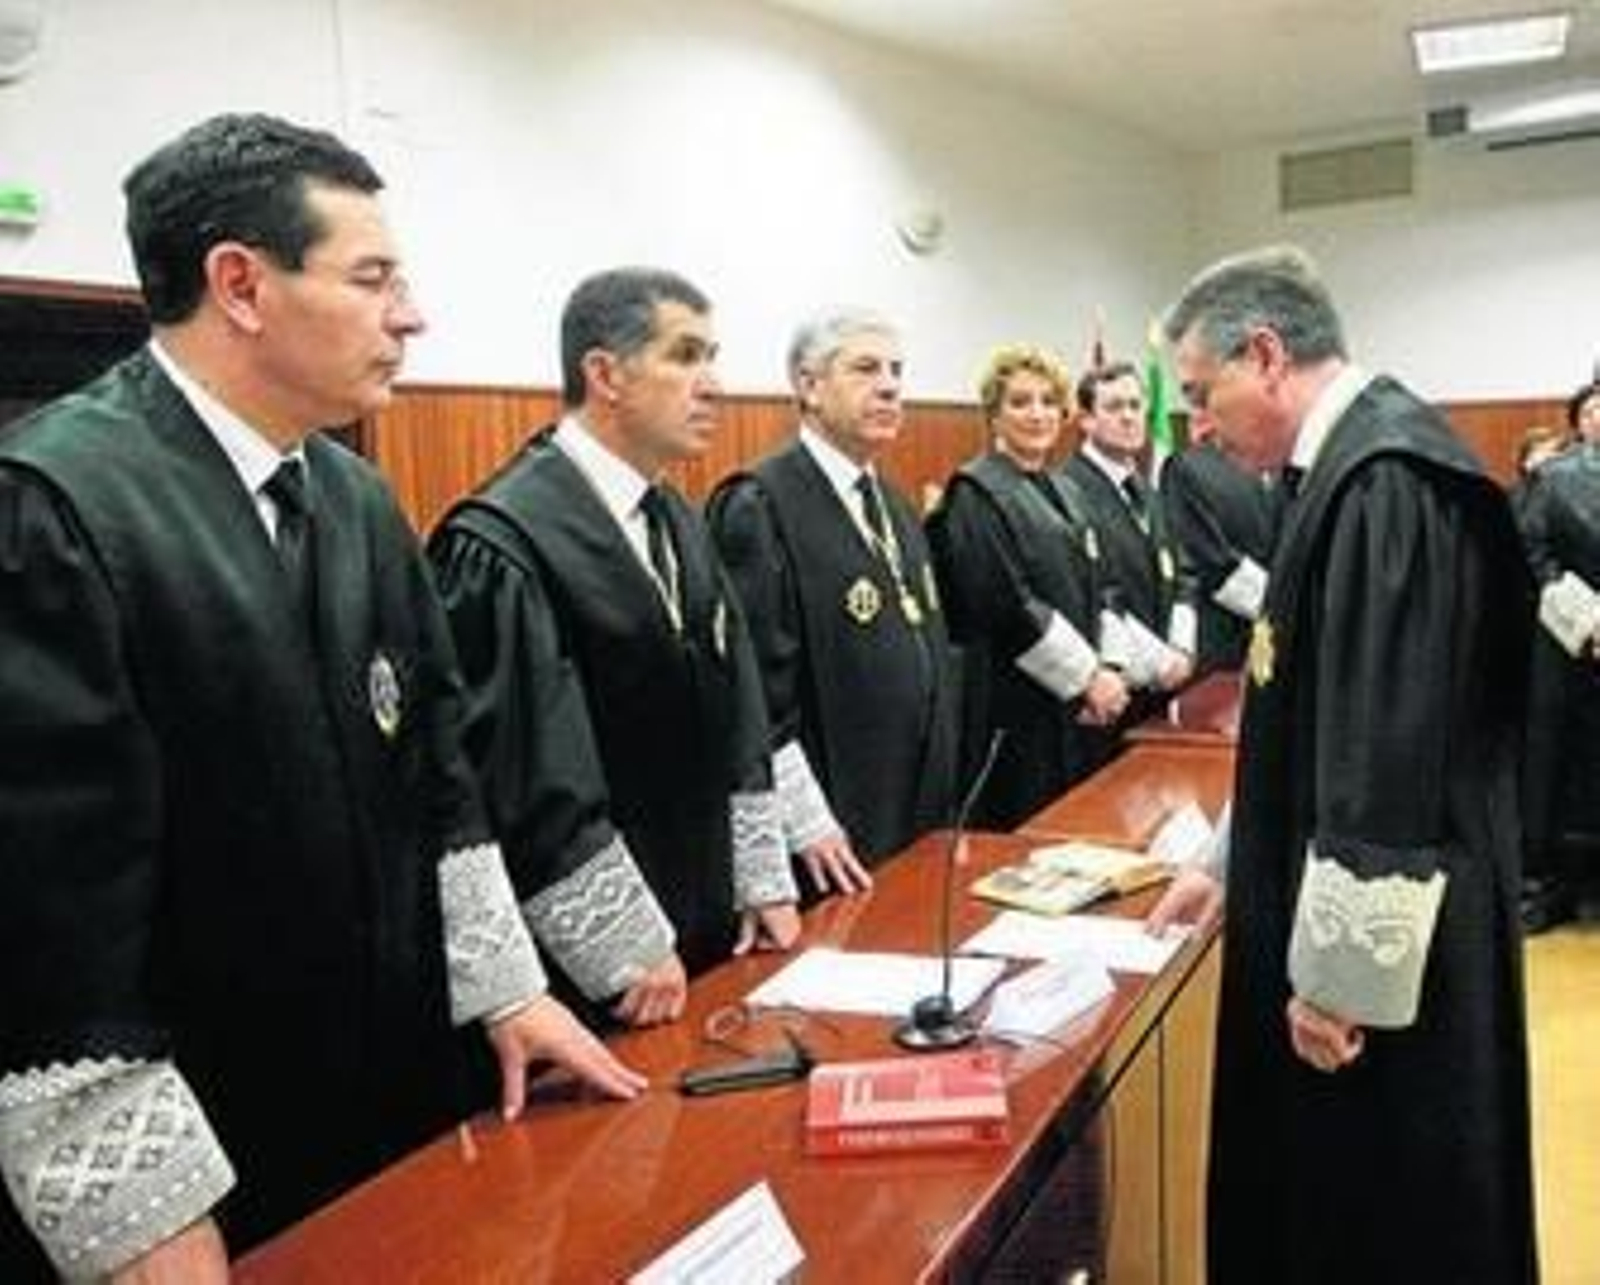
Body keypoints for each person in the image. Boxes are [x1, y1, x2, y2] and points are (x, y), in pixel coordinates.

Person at [0, 114, 643, 1284]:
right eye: (373, 277)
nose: (412, 314)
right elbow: (45, 897)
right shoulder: (57, 502)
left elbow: (439, 772)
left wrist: (509, 990)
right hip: (207, 1146)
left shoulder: (353, 496)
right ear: (240, 284)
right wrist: (139, 1203)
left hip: (388, 1084)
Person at [1148, 245, 1539, 1284]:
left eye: (1200, 392)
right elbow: (1299, 706)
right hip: (1344, 915)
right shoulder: (1334, 471)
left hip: (1386, 962)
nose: (1195, 424)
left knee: (1382, 1213)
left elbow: (1382, 748)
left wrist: (1339, 981)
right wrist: (1227, 864)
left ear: (1264, 356)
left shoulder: (1384, 483)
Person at [429, 267, 800, 1030]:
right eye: (686, 355)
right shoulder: (503, 539)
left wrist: (761, 875)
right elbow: (526, 770)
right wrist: (625, 945)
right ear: (605, 373)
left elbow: (739, 704)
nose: (714, 383)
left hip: (705, 911)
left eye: (713, 355)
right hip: (599, 968)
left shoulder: (675, 513)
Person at [706, 308, 958, 888]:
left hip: (916, 807)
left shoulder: (893, 505)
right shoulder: (759, 504)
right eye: (866, 368)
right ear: (809, 385)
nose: (891, 386)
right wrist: (806, 822)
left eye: (897, 370)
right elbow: (753, 693)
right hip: (830, 830)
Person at [925, 344, 1129, 828]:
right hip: (1015, 714)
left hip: (1081, 708)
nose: (1036, 414)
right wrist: (1089, 679)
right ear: (993, 416)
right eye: (1019, 402)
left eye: (1046, 401)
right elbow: (1007, 607)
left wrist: (1112, 668)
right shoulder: (974, 494)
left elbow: (1107, 589)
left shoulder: (1069, 491)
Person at [1059, 360, 1196, 711]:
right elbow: (1098, 592)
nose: (1129, 416)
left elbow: (1182, 573)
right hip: (1110, 691)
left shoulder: (1147, 491)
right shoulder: (1069, 490)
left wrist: (1180, 649)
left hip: (1163, 687)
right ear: (1086, 420)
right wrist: (1159, 662)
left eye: (1136, 406)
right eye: (1114, 407)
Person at [1515, 379, 1600, 928]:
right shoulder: (1554, 479)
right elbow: (1532, 551)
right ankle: (1548, 889)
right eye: (1594, 411)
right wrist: (1590, 619)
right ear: (1579, 422)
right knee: (1558, 769)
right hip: (1569, 646)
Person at [1158, 408, 1283, 673]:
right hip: (1233, 642)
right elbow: (1209, 558)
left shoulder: (1274, 466)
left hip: (1256, 640)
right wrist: (1280, 603)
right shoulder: (1188, 467)